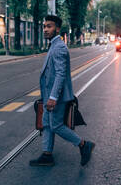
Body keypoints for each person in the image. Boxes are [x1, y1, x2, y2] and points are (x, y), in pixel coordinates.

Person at [29, 15, 95, 167]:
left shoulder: (59, 47)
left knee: (56, 125)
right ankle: (47, 155)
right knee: (46, 124)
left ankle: (84, 145)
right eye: (44, 26)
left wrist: (52, 97)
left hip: (56, 97)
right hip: (48, 96)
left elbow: (60, 74)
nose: (45, 29)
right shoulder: (54, 45)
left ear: (57, 29)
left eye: (49, 26)